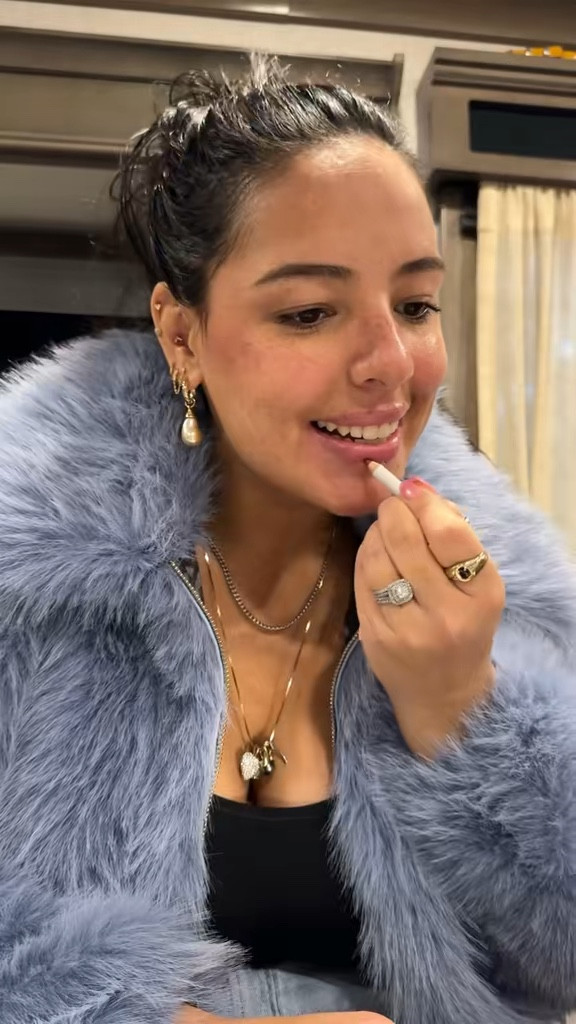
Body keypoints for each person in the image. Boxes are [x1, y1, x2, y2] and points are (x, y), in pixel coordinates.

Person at [1, 55, 576, 1024]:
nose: (391, 364)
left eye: (416, 304)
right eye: (309, 312)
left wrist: (461, 703)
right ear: (182, 336)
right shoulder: (27, 576)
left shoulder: (499, 592)